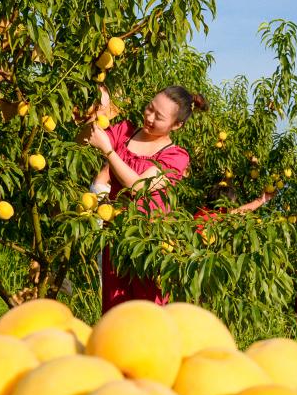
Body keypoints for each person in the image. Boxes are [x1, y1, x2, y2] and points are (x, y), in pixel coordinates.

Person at [80, 85, 208, 312]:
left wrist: (109, 152)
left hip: (150, 245)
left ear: (176, 125)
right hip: (116, 238)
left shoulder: (176, 156)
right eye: (149, 108)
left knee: (148, 313)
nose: (148, 117)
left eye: (158, 117)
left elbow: (139, 186)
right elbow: (88, 138)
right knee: (115, 311)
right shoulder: (125, 131)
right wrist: (97, 109)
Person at [193, 183, 276, 235]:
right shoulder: (213, 218)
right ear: (223, 203)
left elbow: (240, 211)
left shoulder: (207, 212)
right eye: (232, 203)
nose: (233, 206)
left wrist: (261, 200)